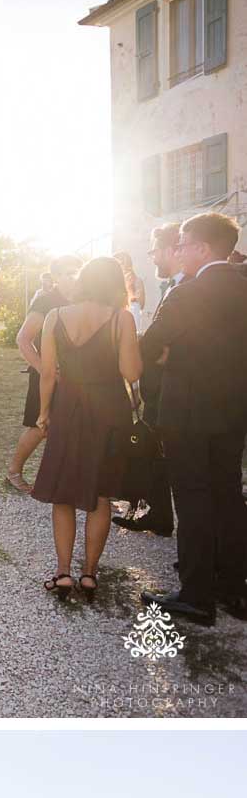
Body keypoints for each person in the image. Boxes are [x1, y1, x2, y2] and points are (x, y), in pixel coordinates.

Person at [138, 211, 247, 626]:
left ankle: (197, 594)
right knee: (228, 494)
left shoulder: (187, 295)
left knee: (194, 498)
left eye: (182, 243)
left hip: (186, 413)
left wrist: (168, 354)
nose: (178, 250)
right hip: (234, 411)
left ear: (202, 247)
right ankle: (234, 587)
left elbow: (150, 346)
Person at [31, 256, 142, 600]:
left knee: (62, 493)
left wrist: (44, 413)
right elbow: (132, 373)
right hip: (109, 410)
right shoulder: (120, 318)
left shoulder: (55, 316)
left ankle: (63, 572)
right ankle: (90, 574)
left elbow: (48, 374)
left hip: (68, 407)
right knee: (100, 495)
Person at [113, 223, 181, 539]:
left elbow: (159, 342)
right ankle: (159, 515)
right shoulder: (173, 285)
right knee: (157, 454)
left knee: (174, 461)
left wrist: (143, 344)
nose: (152, 257)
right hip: (164, 387)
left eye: (154, 250)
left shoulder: (186, 288)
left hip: (179, 390)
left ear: (173, 249)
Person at [7, 254, 81, 492]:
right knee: (39, 427)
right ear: (56, 277)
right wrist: (44, 368)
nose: (73, 277)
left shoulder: (84, 300)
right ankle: (13, 471)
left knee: (74, 426)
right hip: (46, 373)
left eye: (76, 271)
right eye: (68, 272)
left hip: (77, 376)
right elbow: (23, 339)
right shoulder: (46, 302)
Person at [114, 251, 146, 332]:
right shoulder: (114, 284)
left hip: (130, 325)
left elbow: (139, 305)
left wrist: (130, 289)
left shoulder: (136, 282)